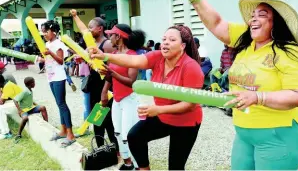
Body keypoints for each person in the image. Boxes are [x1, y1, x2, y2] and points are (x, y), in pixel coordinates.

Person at [175, 0, 298, 170]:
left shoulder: (289, 51)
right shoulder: (247, 42)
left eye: (262, 15)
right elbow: (217, 24)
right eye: (252, 15)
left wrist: (257, 97)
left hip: (278, 133)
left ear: (276, 22)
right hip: (244, 131)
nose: (253, 19)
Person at [89, 25, 204, 170]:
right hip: (163, 116)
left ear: (182, 46)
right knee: (135, 136)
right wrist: (104, 56)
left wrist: (158, 110)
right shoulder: (157, 57)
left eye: (172, 39)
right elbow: (132, 60)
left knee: (175, 166)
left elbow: (190, 104)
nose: (166, 42)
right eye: (164, 39)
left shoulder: (191, 67)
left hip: (185, 122)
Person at [97, 24, 146, 170]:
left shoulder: (133, 56)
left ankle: (138, 166)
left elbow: (132, 82)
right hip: (117, 99)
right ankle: (127, 163)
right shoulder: (115, 54)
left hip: (129, 98)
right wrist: (104, 91)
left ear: (118, 37)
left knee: (128, 135)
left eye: (111, 34)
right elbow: (109, 76)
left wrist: (112, 74)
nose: (109, 37)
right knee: (117, 132)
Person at [71, 9, 118, 148]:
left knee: (108, 120)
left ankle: (115, 150)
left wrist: (105, 91)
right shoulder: (91, 44)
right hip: (94, 84)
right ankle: (100, 148)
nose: (89, 30)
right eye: (88, 27)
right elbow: (83, 30)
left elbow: (112, 70)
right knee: (96, 118)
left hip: (105, 86)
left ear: (100, 28)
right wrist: (82, 59)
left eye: (91, 27)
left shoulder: (107, 44)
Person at [39, 20, 76, 148]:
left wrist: (50, 53)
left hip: (59, 77)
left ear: (53, 31)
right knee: (59, 104)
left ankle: (70, 134)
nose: (44, 34)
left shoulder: (58, 44)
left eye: (46, 31)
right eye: (43, 32)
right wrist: (42, 58)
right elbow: (49, 60)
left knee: (62, 104)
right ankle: (63, 130)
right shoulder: (47, 43)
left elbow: (60, 61)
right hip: (50, 77)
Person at [13, 77, 48, 143]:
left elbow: (30, 100)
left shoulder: (30, 90)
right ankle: (19, 134)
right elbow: (15, 100)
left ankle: (46, 123)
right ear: (30, 84)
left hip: (31, 108)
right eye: (34, 82)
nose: (35, 84)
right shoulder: (25, 92)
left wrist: (36, 105)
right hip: (24, 110)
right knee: (25, 118)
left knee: (43, 107)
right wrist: (19, 110)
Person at [0, 75, 22, 140]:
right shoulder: (3, 86)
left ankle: (6, 133)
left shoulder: (8, 86)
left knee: (1, 109)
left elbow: (1, 101)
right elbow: (0, 98)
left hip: (21, 104)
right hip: (16, 102)